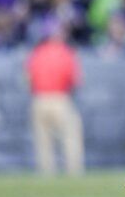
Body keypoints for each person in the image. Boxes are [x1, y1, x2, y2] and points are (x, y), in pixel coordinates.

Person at [26, 22, 84, 176]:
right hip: (60, 98)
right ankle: (73, 171)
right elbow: (75, 80)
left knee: (43, 141)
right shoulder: (66, 52)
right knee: (70, 138)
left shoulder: (37, 52)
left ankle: (46, 172)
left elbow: (28, 78)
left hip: (39, 99)